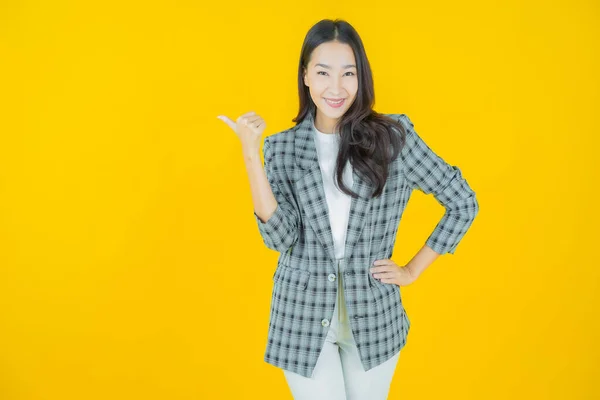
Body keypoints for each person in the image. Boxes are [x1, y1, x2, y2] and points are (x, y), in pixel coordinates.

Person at [218, 18, 479, 400]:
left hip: (373, 310)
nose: (336, 87)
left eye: (348, 73)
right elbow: (279, 238)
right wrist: (250, 154)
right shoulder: (281, 148)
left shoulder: (393, 139)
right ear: (305, 76)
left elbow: (462, 202)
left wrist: (412, 270)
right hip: (301, 313)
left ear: (362, 78)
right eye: (323, 72)